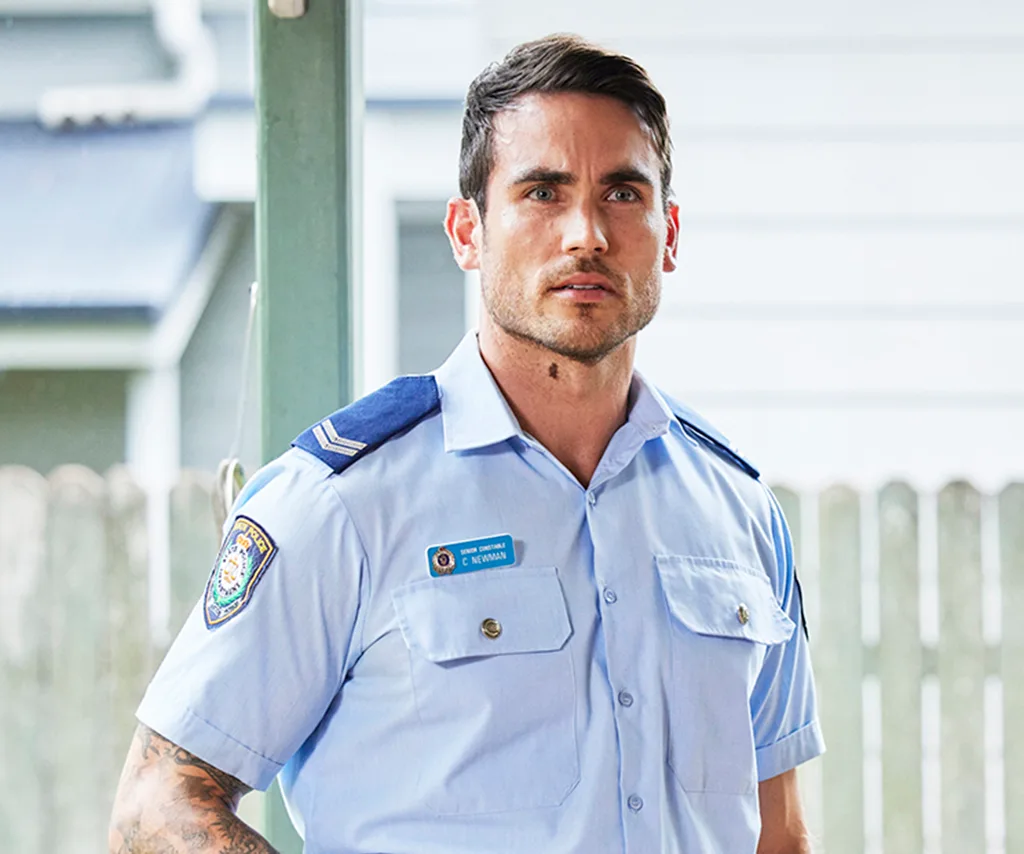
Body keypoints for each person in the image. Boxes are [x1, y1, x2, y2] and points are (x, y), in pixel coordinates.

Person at [109, 33, 824, 854]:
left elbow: (780, 833)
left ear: (668, 233)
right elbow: (154, 813)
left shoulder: (740, 513)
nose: (586, 233)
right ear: (466, 232)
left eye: (623, 193)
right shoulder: (341, 503)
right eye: (543, 192)